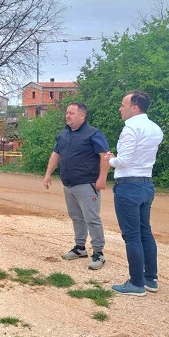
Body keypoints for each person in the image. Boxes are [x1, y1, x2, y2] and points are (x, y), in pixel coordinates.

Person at [105, 90, 163, 296]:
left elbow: (125, 160)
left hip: (128, 186)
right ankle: (150, 278)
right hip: (146, 184)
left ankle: (136, 283)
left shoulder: (131, 128)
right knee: (145, 231)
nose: (120, 108)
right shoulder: (155, 128)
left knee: (132, 236)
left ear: (134, 108)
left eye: (123, 105)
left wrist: (110, 159)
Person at [44, 103, 111, 270]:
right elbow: (56, 155)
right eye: (67, 113)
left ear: (82, 116)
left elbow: (105, 156)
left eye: (72, 113)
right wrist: (48, 174)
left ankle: (98, 253)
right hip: (68, 184)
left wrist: (102, 178)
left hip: (87, 184)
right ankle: (80, 248)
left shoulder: (93, 134)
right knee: (76, 217)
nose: (68, 116)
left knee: (92, 219)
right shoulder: (63, 134)